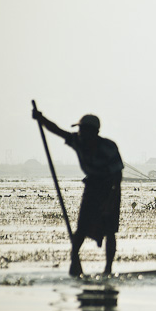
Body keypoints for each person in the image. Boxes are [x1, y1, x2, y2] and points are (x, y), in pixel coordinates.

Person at [32, 110, 124, 276]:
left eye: (83, 130)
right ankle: (74, 260)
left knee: (110, 230)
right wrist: (41, 119)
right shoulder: (78, 141)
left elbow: (117, 177)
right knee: (81, 228)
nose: (80, 133)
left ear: (93, 132)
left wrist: (110, 201)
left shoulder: (108, 147)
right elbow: (57, 130)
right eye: (79, 130)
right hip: (92, 187)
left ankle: (108, 269)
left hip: (110, 188)